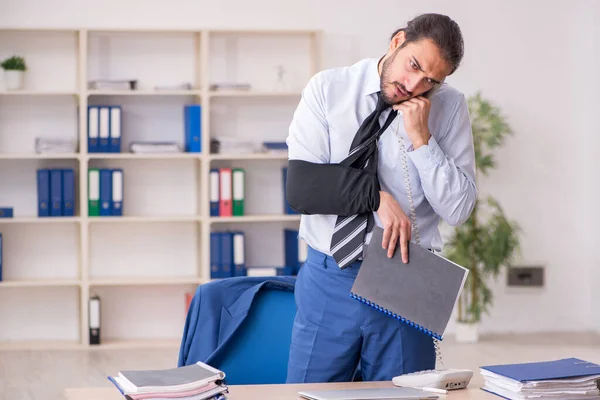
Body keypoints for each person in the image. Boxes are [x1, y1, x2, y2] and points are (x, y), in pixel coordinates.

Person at [284, 13, 477, 383]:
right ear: (397, 41)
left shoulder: (449, 107)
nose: (414, 85)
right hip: (329, 277)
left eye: (430, 81)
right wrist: (375, 197)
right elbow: (302, 188)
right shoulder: (329, 88)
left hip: (406, 274)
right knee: (307, 391)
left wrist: (423, 140)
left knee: (404, 394)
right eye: (413, 65)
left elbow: (458, 209)